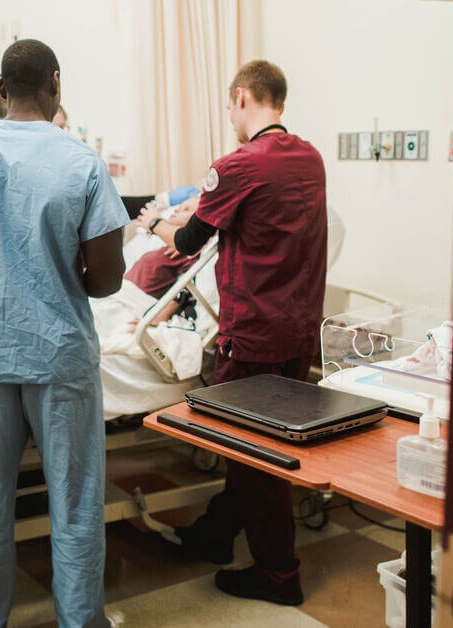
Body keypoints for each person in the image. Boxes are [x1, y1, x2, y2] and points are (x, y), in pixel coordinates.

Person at [0, 39, 128, 628]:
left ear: (1, 90)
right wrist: (56, 270)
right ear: (54, 85)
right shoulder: (82, 163)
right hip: (60, 356)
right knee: (76, 505)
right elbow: (108, 279)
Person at [136, 60, 327, 606]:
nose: (230, 116)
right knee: (252, 451)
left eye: (228, 107)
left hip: (252, 334)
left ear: (242, 98)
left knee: (255, 459)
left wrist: (154, 223)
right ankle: (215, 535)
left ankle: (278, 574)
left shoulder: (238, 164)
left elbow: (191, 239)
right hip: (298, 330)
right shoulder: (310, 159)